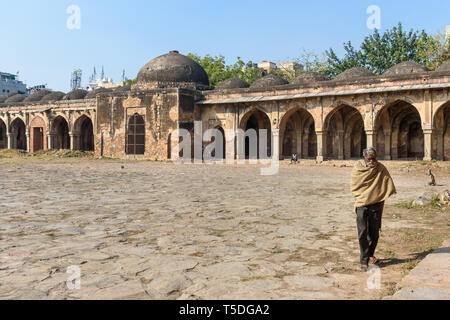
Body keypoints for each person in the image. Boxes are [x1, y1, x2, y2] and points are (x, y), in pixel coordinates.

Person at [351, 148, 396, 271]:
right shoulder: (358, 168)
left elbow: (387, 183)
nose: (372, 160)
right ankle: (364, 260)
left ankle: (370, 253)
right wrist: (364, 196)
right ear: (364, 157)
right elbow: (355, 185)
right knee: (362, 233)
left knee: (374, 233)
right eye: (369, 158)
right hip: (361, 204)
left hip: (376, 204)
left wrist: (381, 196)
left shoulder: (380, 168)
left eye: (374, 158)